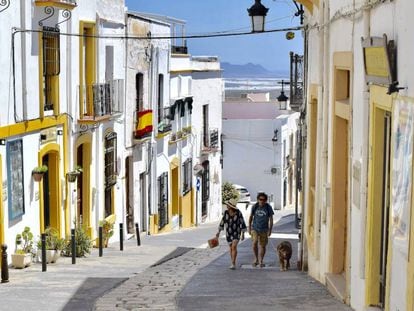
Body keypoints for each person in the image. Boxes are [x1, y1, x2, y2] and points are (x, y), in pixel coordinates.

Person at [216, 198, 247, 270]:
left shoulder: (238, 212)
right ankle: (233, 261)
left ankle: (233, 263)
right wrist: (218, 232)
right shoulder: (226, 213)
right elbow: (222, 222)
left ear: (231, 206)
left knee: (234, 247)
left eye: (228, 205)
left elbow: (242, 223)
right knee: (231, 248)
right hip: (229, 233)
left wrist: (243, 234)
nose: (227, 205)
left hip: (237, 232)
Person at [248, 192, 274, 267]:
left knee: (262, 245)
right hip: (255, 228)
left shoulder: (268, 207)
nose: (262, 201)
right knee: (254, 242)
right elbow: (251, 217)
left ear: (266, 200)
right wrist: (249, 228)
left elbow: (271, 219)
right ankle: (256, 259)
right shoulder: (255, 206)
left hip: (264, 229)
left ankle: (261, 260)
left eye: (263, 200)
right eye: (260, 199)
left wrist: (270, 230)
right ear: (258, 199)